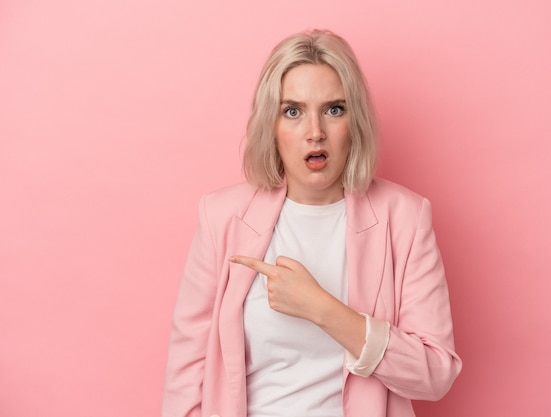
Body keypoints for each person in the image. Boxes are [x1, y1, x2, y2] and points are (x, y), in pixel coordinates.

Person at [162, 29, 462, 417]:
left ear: (355, 123)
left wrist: (322, 309)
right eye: (293, 111)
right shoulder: (222, 216)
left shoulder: (405, 217)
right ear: (271, 124)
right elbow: (185, 377)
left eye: (334, 109)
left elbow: (435, 375)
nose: (315, 132)